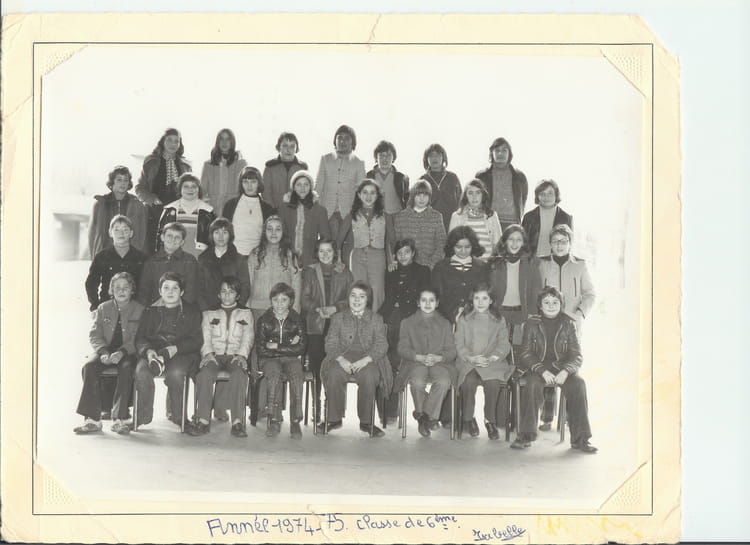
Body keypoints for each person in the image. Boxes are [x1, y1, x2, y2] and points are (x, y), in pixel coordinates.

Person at [512, 286, 597, 453]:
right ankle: (526, 435)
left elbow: (577, 355)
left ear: (561, 304)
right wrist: (542, 370)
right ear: (540, 305)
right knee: (532, 385)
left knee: (579, 384)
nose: (551, 306)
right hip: (538, 368)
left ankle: (580, 439)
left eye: (555, 302)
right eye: (547, 302)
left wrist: (566, 371)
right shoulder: (531, 323)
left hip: (561, 368)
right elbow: (526, 353)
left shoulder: (569, 324)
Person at [534, 224, 595, 431]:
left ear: (570, 243)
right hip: (547, 324)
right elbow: (536, 293)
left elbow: (590, 294)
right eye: (555, 241)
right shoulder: (542, 265)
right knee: (549, 363)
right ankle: (547, 416)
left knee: (569, 369)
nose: (559, 245)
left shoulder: (580, 266)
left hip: (571, 326)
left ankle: (570, 417)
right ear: (550, 244)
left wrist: (579, 313)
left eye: (564, 241)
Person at [245, 215, 302, 423]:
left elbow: (296, 286)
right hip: (258, 310)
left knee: (278, 358)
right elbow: (249, 282)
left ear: (283, 231)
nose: (274, 232)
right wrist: (248, 309)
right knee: (258, 359)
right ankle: (258, 407)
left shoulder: (290, 256)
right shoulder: (255, 254)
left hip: (283, 313)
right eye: (270, 229)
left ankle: (275, 409)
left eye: (278, 228)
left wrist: (294, 315)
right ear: (264, 231)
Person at [318, 281, 393, 437]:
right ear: (348, 298)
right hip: (342, 356)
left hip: (368, 358)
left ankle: (366, 422)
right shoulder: (338, 318)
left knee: (369, 375)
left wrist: (366, 360)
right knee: (333, 373)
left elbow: (382, 344)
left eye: (362, 296)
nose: (357, 300)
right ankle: (333, 419)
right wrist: (341, 359)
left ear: (368, 300)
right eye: (353, 296)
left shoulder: (376, 318)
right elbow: (330, 342)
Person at [74, 272, 145, 435]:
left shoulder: (139, 309)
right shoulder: (103, 308)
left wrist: (122, 352)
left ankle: (119, 419)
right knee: (89, 367)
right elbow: (94, 334)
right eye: (117, 287)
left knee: (127, 369)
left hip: (128, 352)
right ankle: (92, 420)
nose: (121, 291)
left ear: (132, 290)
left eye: (126, 287)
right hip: (105, 350)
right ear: (111, 290)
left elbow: (138, 337)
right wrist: (103, 352)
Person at [133, 272, 202, 429]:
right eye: (166, 288)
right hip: (155, 352)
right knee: (141, 372)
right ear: (160, 291)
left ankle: (178, 417)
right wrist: (148, 351)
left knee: (176, 374)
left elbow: (196, 340)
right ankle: (143, 416)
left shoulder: (192, 311)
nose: (170, 292)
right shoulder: (150, 310)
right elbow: (140, 338)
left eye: (175, 288)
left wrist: (175, 349)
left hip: (181, 353)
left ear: (182, 292)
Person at [189, 276, 253, 438]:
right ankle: (203, 420)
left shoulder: (246, 313)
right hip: (214, 355)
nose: (227, 295)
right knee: (204, 375)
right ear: (218, 294)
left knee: (239, 375)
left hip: (235, 356)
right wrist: (208, 353)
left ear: (238, 295)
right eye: (223, 291)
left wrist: (242, 355)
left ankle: (237, 422)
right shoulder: (209, 313)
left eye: (231, 292)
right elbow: (205, 336)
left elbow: (248, 337)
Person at [300, 238, 353, 422]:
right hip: (315, 324)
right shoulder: (309, 271)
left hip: (337, 325)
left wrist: (335, 308)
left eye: (329, 251)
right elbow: (304, 299)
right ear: (317, 253)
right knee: (316, 367)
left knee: (333, 367)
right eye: (321, 251)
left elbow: (351, 298)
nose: (325, 254)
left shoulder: (344, 272)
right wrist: (318, 309)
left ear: (335, 252)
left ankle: (330, 407)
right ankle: (316, 405)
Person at [394, 286, 457, 437]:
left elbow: (452, 351)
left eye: (431, 300)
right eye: (423, 300)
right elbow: (402, 348)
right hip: (415, 362)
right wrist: (418, 357)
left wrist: (439, 357)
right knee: (417, 382)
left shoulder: (445, 324)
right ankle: (429, 417)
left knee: (443, 381)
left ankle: (423, 416)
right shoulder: (407, 323)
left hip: (440, 362)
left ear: (437, 303)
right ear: (418, 303)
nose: (427, 304)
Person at [379, 238, 430, 421]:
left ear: (413, 253)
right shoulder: (391, 271)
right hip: (390, 318)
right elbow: (388, 296)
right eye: (399, 253)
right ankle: (389, 412)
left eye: (406, 252)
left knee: (405, 363)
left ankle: (423, 409)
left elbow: (425, 299)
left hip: (410, 320)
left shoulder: (423, 271)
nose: (403, 256)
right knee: (388, 364)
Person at [454, 282, 513, 440]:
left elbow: (503, 344)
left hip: (491, 362)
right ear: (471, 300)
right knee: (468, 382)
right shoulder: (464, 319)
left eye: (484, 298)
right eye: (476, 298)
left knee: (493, 383)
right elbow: (459, 344)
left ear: (491, 300)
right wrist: (470, 357)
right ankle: (468, 418)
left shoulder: (499, 320)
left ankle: (490, 420)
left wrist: (493, 357)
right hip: (469, 361)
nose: (480, 302)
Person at [252, 282, 307, 438]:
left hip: (291, 359)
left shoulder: (297, 320)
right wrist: (289, 346)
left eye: (284, 300)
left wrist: (276, 346)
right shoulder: (264, 320)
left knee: (297, 377)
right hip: (269, 360)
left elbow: (301, 348)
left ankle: (295, 421)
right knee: (274, 376)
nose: (280, 304)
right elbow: (261, 349)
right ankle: (274, 420)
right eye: (276, 300)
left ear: (291, 301)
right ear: (271, 301)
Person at [338, 179, 395, 312]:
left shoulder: (385, 216)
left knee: (377, 289)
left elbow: (392, 240)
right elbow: (339, 239)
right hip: (358, 256)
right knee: (358, 288)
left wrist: (392, 259)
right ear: (359, 195)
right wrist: (339, 259)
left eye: (372, 193)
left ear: (378, 195)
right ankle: (358, 318)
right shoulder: (352, 215)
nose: (368, 196)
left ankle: (375, 319)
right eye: (365, 192)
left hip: (378, 256)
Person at [135, 128, 192, 254]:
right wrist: (151, 199)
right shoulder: (151, 162)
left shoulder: (185, 165)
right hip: (156, 211)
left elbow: (191, 188)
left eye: (176, 141)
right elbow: (139, 188)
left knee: (177, 246)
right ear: (162, 142)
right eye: (169, 140)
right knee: (155, 248)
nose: (173, 144)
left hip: (178, 212)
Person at [315, 124, 367, 241]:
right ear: (335, 140)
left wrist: (356, 214)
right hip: (327, 214)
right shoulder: (325, 159)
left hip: (349, 215)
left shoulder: (359, 163)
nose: (343, 141)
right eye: (340, 138)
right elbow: (318, 187)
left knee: (347, 248)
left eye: (347, 138)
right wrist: (318, 213)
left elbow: (362, 192)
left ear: (353, 142)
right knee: (329, 246)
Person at [85, 215, 147, 312]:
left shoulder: (141, 258)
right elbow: (91, 283)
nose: (121, 233)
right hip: (107, 306)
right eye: (116, 229)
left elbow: (146, 286)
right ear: (110, 232)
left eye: (125, 229)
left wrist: (141, 307)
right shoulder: (101, 257)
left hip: (133, 308)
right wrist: (95, 306)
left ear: (131, 233)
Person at [488, 224, 537, 345]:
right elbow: (487, 291)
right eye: (511, 239)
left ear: (523, 243)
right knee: (497, 349)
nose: (514, 243)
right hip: (498, 315)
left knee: (518, 349)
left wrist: (531, 315)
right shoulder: (494, 263)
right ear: (504, 241)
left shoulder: (531, 263)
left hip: (521, 315)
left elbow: (536, 291)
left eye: (519, 240)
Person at [431, 226, 489, 324]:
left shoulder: (482, 267)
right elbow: (436, 297)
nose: (463, 251)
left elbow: (485, 296)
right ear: (452, 246)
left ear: (473, 246)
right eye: (458, 247)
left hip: (474, 320)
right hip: (445, 321)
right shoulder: (440, 267)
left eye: (467, 247)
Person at [88, 165, 147, 256]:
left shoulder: (137, 205)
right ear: (112, 182)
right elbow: (92, 233)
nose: (123, 183)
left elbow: (143, 233)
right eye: (119, 180)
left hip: (130, 256)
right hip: (104, 255)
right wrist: (94, 257)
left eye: (126, 180)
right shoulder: (100, 205)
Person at [277, 169, 331, 267]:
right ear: (293, 187)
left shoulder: (320, 210)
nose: (302, 188)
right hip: (288, 259)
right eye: (299, 184)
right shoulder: (283, 208)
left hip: (310, 259)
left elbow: (326, 238)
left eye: (306, 184)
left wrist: (317, 257)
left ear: (311, 187)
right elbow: (280, 234)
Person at [138, 222, 199, 306]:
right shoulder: (151, 261)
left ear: (182, 242)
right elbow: (144, 291)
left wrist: (178, 308)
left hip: (182, 309)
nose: (173, 239)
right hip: (155, 308)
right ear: (162, 237)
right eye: (169, 236)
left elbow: (191, 292)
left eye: (177, 237)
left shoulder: (190, 260)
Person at [197, 218, 251, 312]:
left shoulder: (239, 260)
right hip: (209, 310)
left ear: (230, 235)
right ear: (212, 235)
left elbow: (245, 288)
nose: (220, 236)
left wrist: (236, 309)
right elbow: (198, 288)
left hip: (233, 310)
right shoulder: (203, 259)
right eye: (217, 232)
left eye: (225, 232)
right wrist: (206, 310)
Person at [222, 166, 277, 258]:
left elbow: (270, 236)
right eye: (245, 182)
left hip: (257, 256)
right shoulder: (230, 205)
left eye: (253, 182)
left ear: (259, 183)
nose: (249, 186)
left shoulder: (267, 208)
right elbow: (223, 231)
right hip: (233, 256)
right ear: (241, 184)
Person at [475, 137, 528, 231]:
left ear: (509, 154)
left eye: (504, 150)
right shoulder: (482, 176)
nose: (500, 153)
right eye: (497, 150)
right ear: (492, 153)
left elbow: (522, 200)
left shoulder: (519, 177)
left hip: (512, 223)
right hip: (489, 221)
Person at [392, 180, 446, 270]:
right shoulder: (401, 217)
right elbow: (397, 244)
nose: (422, 198)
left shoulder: (436, 216)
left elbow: (441, 244)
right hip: (407, 266)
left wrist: (431, 265)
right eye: (418, 195)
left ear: (430, 197)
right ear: (413, 196)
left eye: (425, 195)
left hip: (429, 267)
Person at [159, 173, 215, 257]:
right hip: (174, 256)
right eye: (186, 186)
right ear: (180, 189)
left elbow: (213, 240)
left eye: (194, 186)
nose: (190, 189)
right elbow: (160, 238)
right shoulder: (169, 209)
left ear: (199, 189)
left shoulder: (208, 211)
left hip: (200, 256)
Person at [449, 179, 503, 260]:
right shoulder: (457, 216)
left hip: (488, 263)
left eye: (478, 192)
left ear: (483, 195)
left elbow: (498, 244)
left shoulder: (492, 216)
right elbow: (451, 245)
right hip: (465, 263)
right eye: (470, 193)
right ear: (466, 196)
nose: (474, 197)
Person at [199, 128, 248, 213]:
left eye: (228, 139)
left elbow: (245, 190)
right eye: (221, 139)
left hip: (235, 210)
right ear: (217, 142)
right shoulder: (208, 165)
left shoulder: (241, 164)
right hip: (213, 211)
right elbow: (202, 191)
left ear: (232, 142)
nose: (224, 142)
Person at [521, 179, 574, 257]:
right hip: (533, 261)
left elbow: (569, 246)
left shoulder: (566, 218)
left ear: (556, 195)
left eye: (550, 193)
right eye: (542, 194)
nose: (546, 197)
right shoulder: (528, 217)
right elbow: (522, 243)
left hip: (556, 261)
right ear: (537, 196)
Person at [419, 143, 462, 232]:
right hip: (430, 227)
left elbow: (461, 201)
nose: (434, 158)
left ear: (443, 158)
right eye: (431, 155)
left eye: (438, 155)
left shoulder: (452, 177)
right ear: (426, 159)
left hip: (452, 224)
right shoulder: (422, 180)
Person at [262, 131, 308, 210]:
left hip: (297, 212)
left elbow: (306, 193)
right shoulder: (270, 168)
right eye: (285, 146)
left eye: (292, 146)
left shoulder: (302, 168)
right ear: (279, 147)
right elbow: (266, 194)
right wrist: (272, 212)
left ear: (296, 149)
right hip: (275, 212)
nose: (288, 150)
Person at [366, 140, 410, 214]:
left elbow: (407, 200)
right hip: (376, 216)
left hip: (397, 216)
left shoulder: (401, 177)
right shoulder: (369, 176)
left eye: (388, 155)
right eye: (381, 155)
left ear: (393, 157)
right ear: (376, 157)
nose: (385, 158)